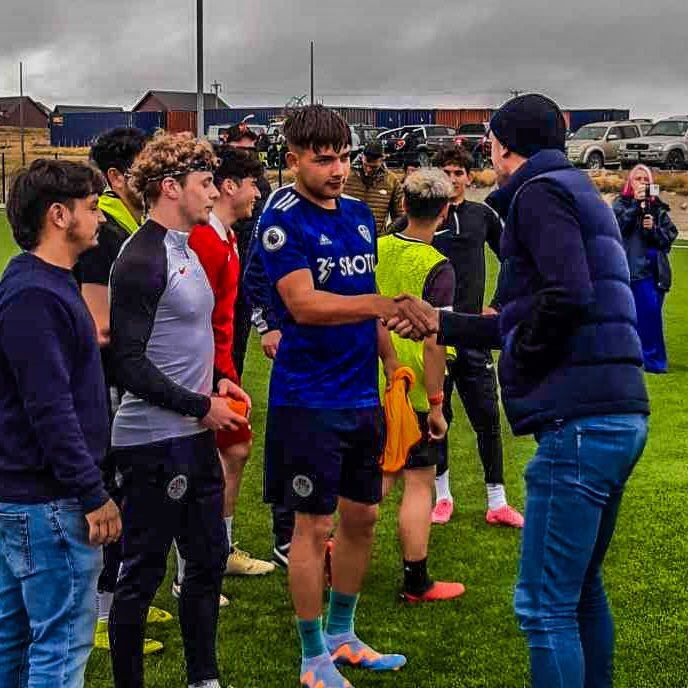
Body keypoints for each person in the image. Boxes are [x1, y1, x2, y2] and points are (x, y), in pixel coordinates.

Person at [390, 94, 650, 688]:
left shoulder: (537, 194)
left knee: (544, 606)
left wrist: (526, 365)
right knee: (581, 590)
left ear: (505, 146)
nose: (486, 150)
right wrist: (443, 323)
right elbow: (530, 311)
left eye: (491, 140)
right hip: (618, 411)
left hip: (580, 421)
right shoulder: (577, 190)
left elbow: (567, 297)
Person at [258, 105, 432, 687]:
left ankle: (343, 635)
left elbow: (366, 292)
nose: (337, 170)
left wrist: (391, 367)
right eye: (323, 159)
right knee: (313, 525)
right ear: (294, 159)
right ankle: (311, 658)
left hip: (361, 393)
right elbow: (304, 304)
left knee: (364, 517)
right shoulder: (280, 217)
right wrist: (382, 306)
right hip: (308, 399)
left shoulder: (359, 214)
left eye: (344, 157)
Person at [107, 132, 249, 688]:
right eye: (205, 182)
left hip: (193, 433)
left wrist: (218, 382)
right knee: (141, 573)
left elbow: (182, 340)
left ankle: (203, 678)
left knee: (208, 560)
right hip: (152, 442)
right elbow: (127, 363)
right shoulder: (141, 257)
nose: (215, 192)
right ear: (171, 188)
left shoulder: (187, 246)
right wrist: (201, 404)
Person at [0, 159, 122, 687]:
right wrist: (92, 492)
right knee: (61, 644)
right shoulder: (35, 294)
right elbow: (48, 407)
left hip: (29, 495)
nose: (100, 219)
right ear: (58, 215)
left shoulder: (46, 282)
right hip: (47, 500)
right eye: (92, 209)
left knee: (18, 641)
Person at [78, 127, 172, 656]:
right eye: (146, 169)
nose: (158, 180)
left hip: (125, 376)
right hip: (106, 381)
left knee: (132, 488)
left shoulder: (130, 226)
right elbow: (99, 324)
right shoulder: (106, 232)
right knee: (108, 487)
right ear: (118, 177)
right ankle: (98, 609)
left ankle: (118, 595)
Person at [396, 144, 522, 527]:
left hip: (473, 334)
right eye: (446, 173)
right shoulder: (421, 220)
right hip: (434, 336)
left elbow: (514, 259)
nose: (453, 180)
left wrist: (498, 304)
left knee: (486, 415)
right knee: (439, 415)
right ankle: (443, 495)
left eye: (459, 173)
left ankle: (497, 499)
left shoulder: (482, 216)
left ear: (469, 177)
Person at [180, 146, 275, 582]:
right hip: (202, 376)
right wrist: (213, 377)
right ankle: (191, 570)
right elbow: (194, 316)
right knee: (196, 469)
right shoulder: (202, 240)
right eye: (254, 183)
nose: (259, 192)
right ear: (229, 186)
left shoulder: (228, 236)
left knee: (235, 450)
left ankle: (220, 551)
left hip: (222, 371)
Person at [377, 168, 465, 603]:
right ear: (446, 212)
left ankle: (331, 547)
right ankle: (416, 582)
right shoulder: (438, 266)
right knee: (417, 481)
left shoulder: (375, 249)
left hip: (369, 379)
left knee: (377, 477)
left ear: (404, 205)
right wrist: (435, 404)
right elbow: (434, 342)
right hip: (412, 387)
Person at [613, 164, 678, 373]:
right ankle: (626, 357)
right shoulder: (621, 203)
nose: (642, 182)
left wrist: (654, 229)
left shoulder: (657, 208)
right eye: (638, 178)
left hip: (653, 270)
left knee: (650, 315)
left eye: (645, 179)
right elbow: (618, 226)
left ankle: (654, 362)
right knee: (625, 317)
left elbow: (668, 240)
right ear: (630, 183)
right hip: (628, 267)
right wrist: (635, 206)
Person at [223, 122, 274, 378]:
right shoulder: (217, 188)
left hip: (244, 274)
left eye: (251, 151)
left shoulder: (262, 186)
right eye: (239, 150)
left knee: (237, 346)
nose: (246, 156)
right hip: (222, 271)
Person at [343, 142, 403, 236]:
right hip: (347, 237)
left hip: (376, 241)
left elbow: (400, 216)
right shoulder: (345, 175)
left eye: (373, 167)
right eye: (366, 165)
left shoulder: (391, 181)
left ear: (382, 160)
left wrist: (387, 234)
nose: (368, 170)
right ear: (362, 157)